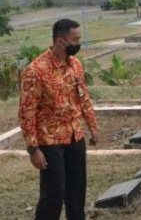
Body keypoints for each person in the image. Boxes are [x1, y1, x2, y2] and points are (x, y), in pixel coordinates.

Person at [18, 19, 99, 220]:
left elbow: (83, 97)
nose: (79, 43)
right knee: (53, 195)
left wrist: (92, 126)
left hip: (75, 137)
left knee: (76, 192)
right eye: (76, 39)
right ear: (61, 42)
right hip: (50, 142)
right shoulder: (36, 71)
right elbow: (26, 112)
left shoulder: (76, 65)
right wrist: (33, 149)